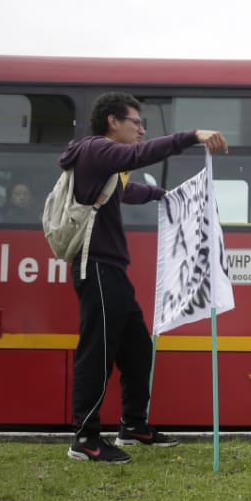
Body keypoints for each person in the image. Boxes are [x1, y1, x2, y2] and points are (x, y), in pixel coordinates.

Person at [63, 91, 228, 463]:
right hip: (98, 267)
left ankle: (133, 425)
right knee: (98, 353)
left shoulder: (104, 165)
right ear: (113, 122)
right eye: (136, 122)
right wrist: (192, 135)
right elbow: (140, 155)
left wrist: (162, 195)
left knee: (138, 347)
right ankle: (85, 440)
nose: (141, 130)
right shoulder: (96, 150)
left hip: (112, 271)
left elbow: (123, 190)